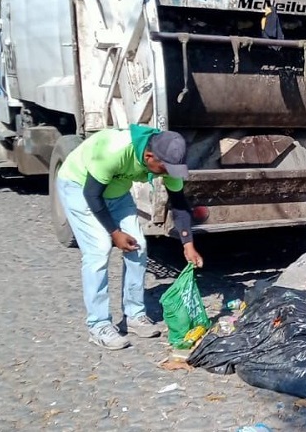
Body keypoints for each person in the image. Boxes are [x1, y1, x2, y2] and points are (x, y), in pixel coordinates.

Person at [56, 125, 204, 350]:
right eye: (165, 168)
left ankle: (134, 315)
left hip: (115, 191)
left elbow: (179, 203)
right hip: (78, 185)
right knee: (98, 249)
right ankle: (98, 325)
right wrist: (114, 233)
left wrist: (188, 243)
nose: (168, 173)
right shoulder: (115, 150)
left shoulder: (164, 162)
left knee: (139, 246)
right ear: (148, 156)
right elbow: (92, 194)